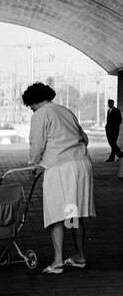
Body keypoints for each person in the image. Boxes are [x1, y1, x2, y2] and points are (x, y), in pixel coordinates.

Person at [24, 83, 92, 272]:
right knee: (73, 213)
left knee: (56, 214)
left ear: (34, 102)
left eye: (31, 107)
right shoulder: (65, 110)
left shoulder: (41, 114)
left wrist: (34, 165)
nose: (31, 110)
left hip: (60, 168)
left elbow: (37, 145)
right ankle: (79, 256)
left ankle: (58, 261)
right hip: (81, 165)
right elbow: (85, 138)